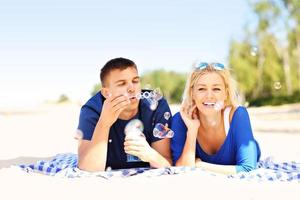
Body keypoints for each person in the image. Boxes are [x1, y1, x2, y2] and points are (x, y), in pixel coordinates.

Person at [77, 58, 172, 172]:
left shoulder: (156, 105)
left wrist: (150, 155)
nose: (132, 88)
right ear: (106, 93)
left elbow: (167, 163)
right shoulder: (92, 110)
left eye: (135, 81)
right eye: (122, 83)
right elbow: (88, 168)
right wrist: (104, 123)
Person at [171, 62, 261, 175]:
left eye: (216, 89)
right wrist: (192, 130)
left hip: (249, 149)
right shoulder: (180, 120)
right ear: (192, 93)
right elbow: (182, 169)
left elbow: (248, 169)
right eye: (201, 89)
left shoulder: (238, 115)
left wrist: (200, 165)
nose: (209, 96)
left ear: (226, 93)